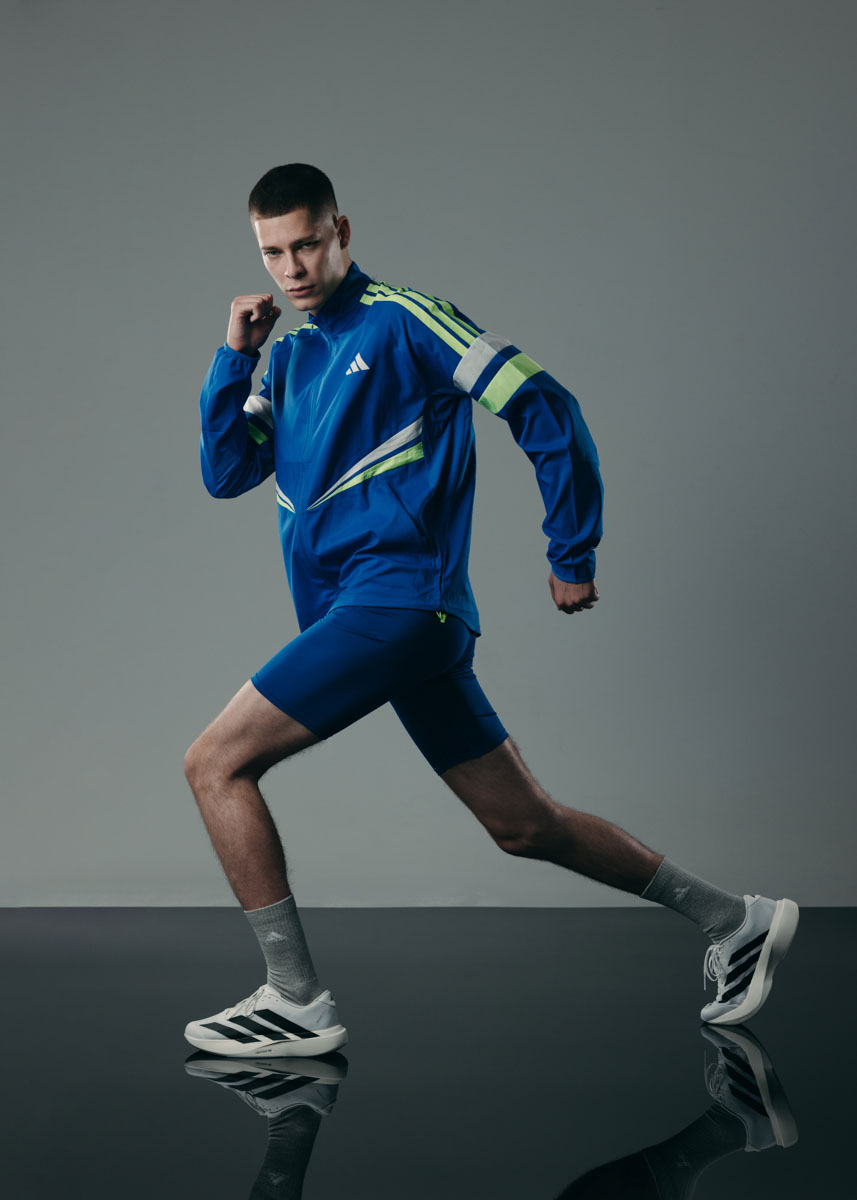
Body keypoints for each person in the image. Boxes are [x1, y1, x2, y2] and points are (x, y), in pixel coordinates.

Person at [183, 163, 798, 1058]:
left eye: (306, 244)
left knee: (214, 764)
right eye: (273, 253)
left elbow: (542, 403)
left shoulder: (406, 319)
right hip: (374, 623)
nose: (292, 269)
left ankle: (294, 997)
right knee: (523, 826)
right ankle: (736, 921)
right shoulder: (290, 356)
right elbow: (227, 471)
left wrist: (570, 550)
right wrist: (234, 356)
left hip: (395, 604)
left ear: (341, 231)